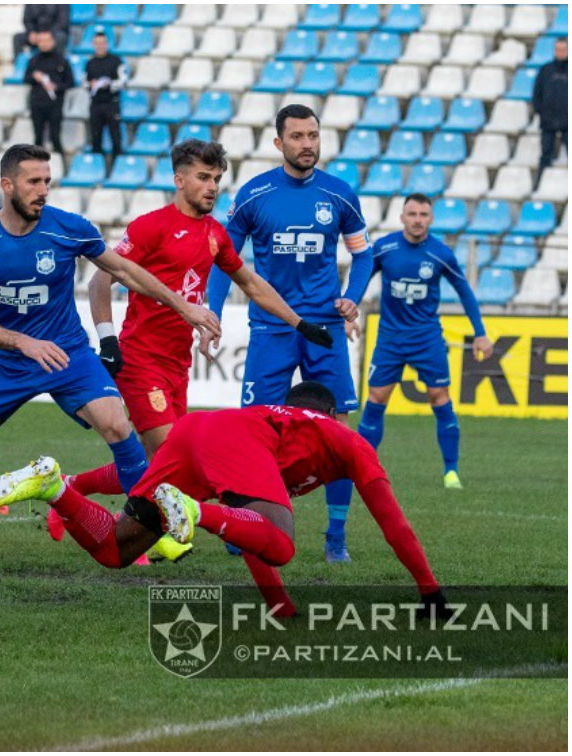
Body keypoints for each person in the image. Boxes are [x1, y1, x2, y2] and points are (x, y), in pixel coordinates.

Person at [0, 382, 448, 618]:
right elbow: (395, 524)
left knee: (114, 550)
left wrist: (279, 606)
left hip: (199, 428)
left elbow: (248, 527)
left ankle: (54, 486)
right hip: (231, 440)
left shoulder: (274, 426)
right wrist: (430, 591)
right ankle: (193, 509)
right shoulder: (347, 441)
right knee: (283, 545)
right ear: (334, 414)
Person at [67, 140, 334, 553]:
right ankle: (140, 542)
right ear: (179, 180)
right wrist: (107, 337)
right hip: (141, 361)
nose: (212, 187)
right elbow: (101, 278)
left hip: (177, 365)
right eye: (203, 178)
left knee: (162, 463)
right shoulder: (151, 226)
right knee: (178, 461)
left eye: (217, 179)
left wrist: (299, 322)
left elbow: (249, 282)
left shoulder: (214, 234)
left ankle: (73, 490)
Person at [0, 144, 221, 509]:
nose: (42, 190)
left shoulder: (69, 228)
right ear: (7, 185)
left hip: (69, 353)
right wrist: (24, 342)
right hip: (6, 361)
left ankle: (145, 527)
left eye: (47, 181)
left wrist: (183, 306)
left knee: (118, 426)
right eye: (33, 182)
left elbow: (122, 270)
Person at [205, 104, 370, 564]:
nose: (307, 144)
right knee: (253, 431)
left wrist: (352, 296)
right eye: (297, 136)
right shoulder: (255, 195)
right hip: (271, 327)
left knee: (338, 433)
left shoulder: (340, 195)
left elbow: (364, 256)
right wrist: (212, 311)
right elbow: (223, 257)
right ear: (279, 143)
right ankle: (244, 527)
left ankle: (335, 537)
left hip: (325, 329)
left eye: (313, 135)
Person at [343, 193, 493, 489]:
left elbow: (464, 290)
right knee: (376, 399)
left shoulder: (440, 254)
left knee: (440, 398)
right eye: (412, 214)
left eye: (423, 215)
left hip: (427, 339)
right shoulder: (385, 248)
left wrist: (480, 332)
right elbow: (362, 276)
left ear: (431, 219)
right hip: (390, 338)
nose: (417, 220)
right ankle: (364, 468)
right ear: (402, 217)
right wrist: (350, 311)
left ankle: (451, 471)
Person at [23, 32, 74, 155]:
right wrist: (35, 77)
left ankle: (58, 166)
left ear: (53, 41)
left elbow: (70, 82)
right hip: (37, 104)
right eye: (41, 41)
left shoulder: (62, 60)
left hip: (55, 105)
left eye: (47, 40)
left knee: (55, 137)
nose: (44, 44)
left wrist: (56, 87)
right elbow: (26, 79)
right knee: (38, 138)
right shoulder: (33, 60)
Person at [85, 31, 126, 166]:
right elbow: (84, 82)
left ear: (107, 44)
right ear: (93, 44)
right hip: (95, 104)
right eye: (97, 43)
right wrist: (90, 85)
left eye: (103, 43)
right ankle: (97, 168)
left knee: (116, 138)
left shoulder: (116, 61)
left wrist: (110, 84)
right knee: (96, 138)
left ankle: (117, 168)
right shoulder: (90, 63)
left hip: (111, 103)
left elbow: (123, 81)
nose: (100, 46)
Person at [533, 37, 568, 182]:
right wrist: (540, 110)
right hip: (548, 121)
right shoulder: (546, 70)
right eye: (558, 49)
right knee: (545, 154)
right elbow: (537, 93)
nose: (560, 53)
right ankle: (541, 184)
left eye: (563, 50)